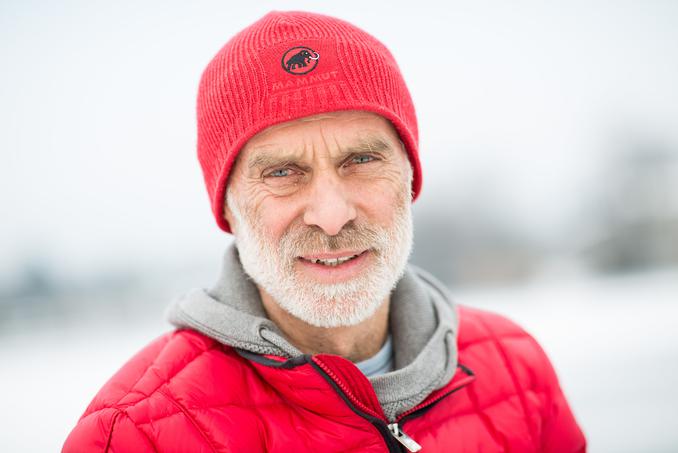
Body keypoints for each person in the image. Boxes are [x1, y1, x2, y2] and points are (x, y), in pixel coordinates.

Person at [62, 10, 586, 452]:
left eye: (361, 159)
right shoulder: (136, 433)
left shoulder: (517, 369)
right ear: (229, 206)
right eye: (282, 173)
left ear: (409, 178)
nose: (332, 216)